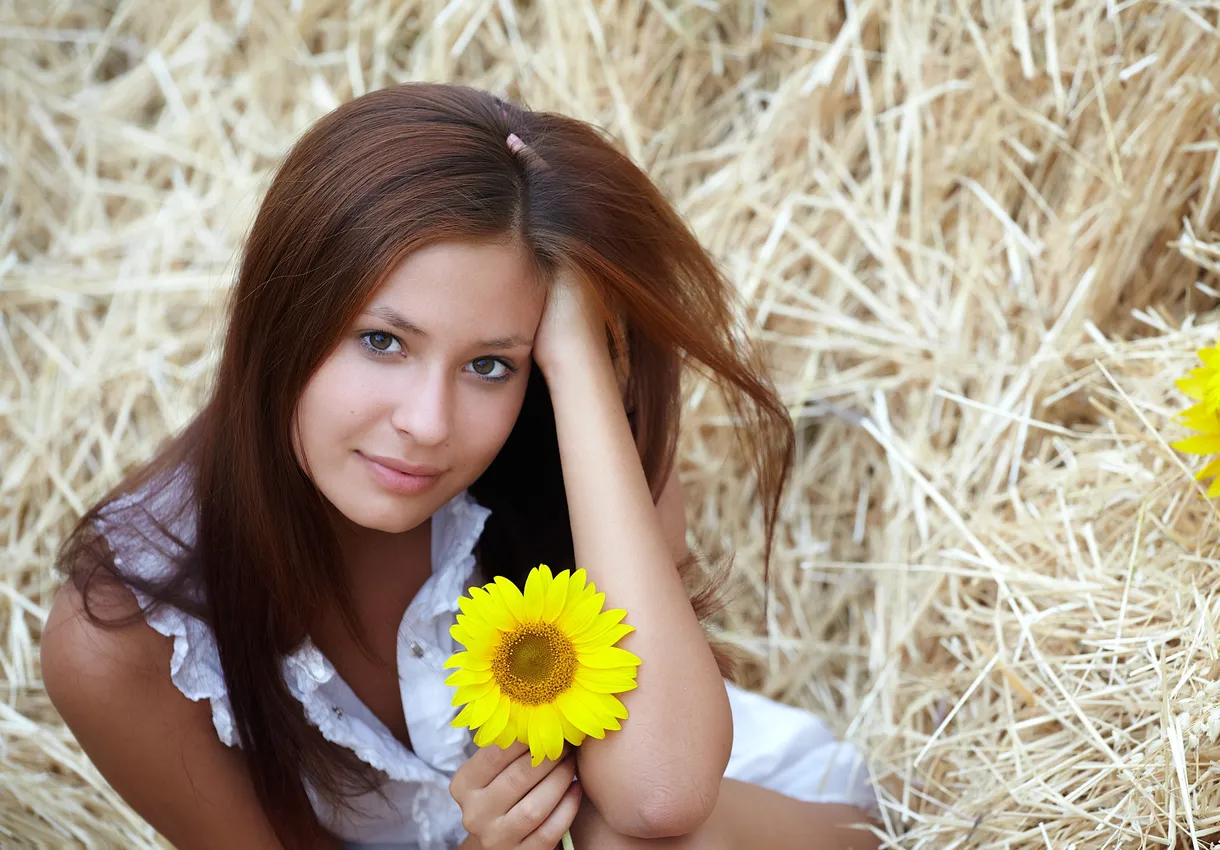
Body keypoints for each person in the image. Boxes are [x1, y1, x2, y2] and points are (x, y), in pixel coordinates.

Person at [40, 83, 881, 850]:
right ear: (282, 315)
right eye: (382, 341)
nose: (427, 425)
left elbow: (661, 797)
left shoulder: (563, 435)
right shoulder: (130, 635)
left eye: (489, 364)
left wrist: (576, 359)